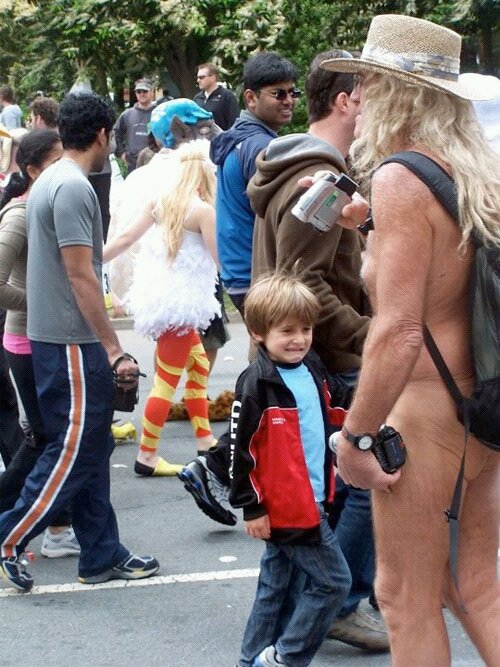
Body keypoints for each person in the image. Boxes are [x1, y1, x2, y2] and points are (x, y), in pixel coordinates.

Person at [321, 14, 500, 665]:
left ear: (397, 90)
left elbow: (398, 330)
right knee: (475, 587)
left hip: (424, 411)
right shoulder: (475, 172)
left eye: (369, 81)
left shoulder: (400, 177)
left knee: (402, 597)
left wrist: (356, 438)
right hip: (480, 402)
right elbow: (452, 278)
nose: (360, 95)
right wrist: (371, 229)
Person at [0, 92, 159, 592]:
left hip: (59, 339)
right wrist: (113, 348)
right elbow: (81, 275)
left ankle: (101, 553)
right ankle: (8, 538)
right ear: (103, 135)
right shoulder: (71, 186)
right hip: (70, 341)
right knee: (72, 448)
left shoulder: (52, 181)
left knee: (89, 447)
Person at [230, 273, 352, 667]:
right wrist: (251, 507)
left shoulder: (311, 366)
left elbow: (337, 405)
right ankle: (287, 656)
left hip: (313, 496)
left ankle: (252, 661)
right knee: (335, 582)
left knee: (276, 587)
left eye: (306, 329)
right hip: (288, 507)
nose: (299, 339)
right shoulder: (256, 382)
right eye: (286, 331)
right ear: (258, 333)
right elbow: (240, 452)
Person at [103, 139, 220, 477]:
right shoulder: (203, 211)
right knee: (166, 383)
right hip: (182, 307)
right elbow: (221, 261)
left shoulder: (160, 202)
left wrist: (92, 259)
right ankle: (147, 455)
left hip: (166, 303)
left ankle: (205, 439)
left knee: (198, 366)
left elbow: (125, 239)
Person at [0, 130, 80, 558]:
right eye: (55, 162)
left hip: (46, 338)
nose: (65, 168)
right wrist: (44, 301)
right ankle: (47, 529)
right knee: (53, 442)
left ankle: (57, 527)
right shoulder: (19, 214)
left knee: (51, 440)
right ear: (32, 171)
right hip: (29, 343)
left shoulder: (49, 205)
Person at [210, 51, 299, 313]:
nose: (288, 101)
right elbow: (278, 217)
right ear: (251, 98)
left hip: (239, 274)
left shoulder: (238, 137)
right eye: (278, 94)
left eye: (292, 92)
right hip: (257, 277)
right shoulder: (259, 146)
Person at [113, 78, 155, 174]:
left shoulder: (159, 113)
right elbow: (115, 133)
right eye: (138, 91)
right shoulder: (127, 115)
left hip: (155, 162)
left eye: (145, 91)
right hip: (133, 164)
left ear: (151, 92)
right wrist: (121, 153)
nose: (141, 94)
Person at [193, 62, 239, 131]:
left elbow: (234, 123)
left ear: (213, 78)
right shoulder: (197, 98)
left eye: (201, 77)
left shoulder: (227, 96)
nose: (198, 80)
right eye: (197, 77)